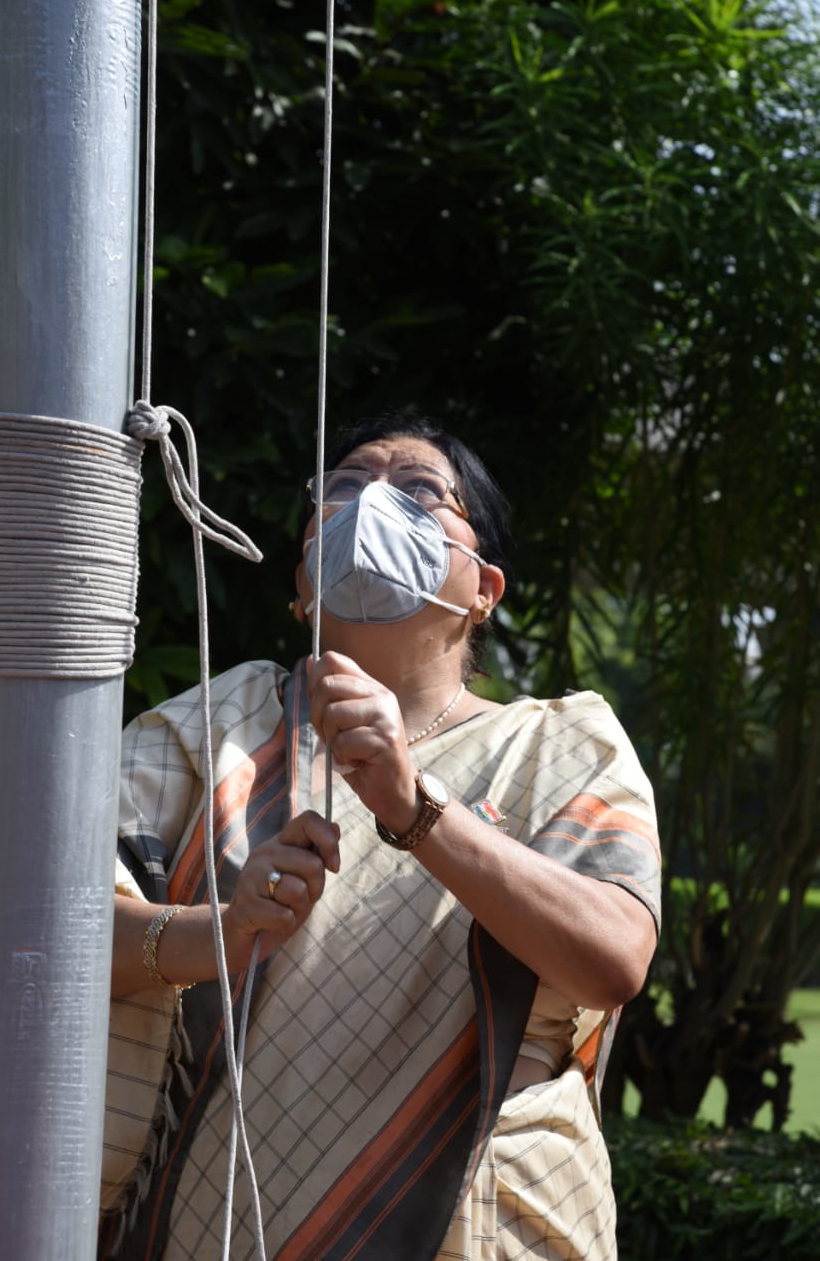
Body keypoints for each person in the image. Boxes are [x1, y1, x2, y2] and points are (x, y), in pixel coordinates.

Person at [99, 415, 660, 1261]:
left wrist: (416, 811)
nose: (371, 506)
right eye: (344, 488)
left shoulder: (558, 744)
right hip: (214, 1232)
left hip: (482, 1234)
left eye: (421, 492)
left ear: (484, 590)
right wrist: (218, 933)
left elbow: (615, 957)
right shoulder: (214, 727)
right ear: (301, 584)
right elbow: (39, 930)